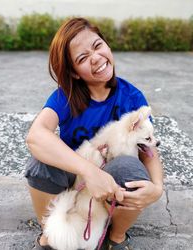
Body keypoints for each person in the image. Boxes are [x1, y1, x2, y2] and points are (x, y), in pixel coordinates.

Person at [25, 17, 163, 250]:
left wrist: (157, 189)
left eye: (98, 46)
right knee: (40, 161)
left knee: (132, 169)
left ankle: (116, 236)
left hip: (114, 185)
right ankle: (49, 235)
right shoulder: (64, 97)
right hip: (75, 181)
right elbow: (35, 136)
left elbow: (149, 151)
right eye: (83, 58)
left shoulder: (131, 97)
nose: (96, 58)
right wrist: (90, 172)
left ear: (107, 45)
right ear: (75, 73)